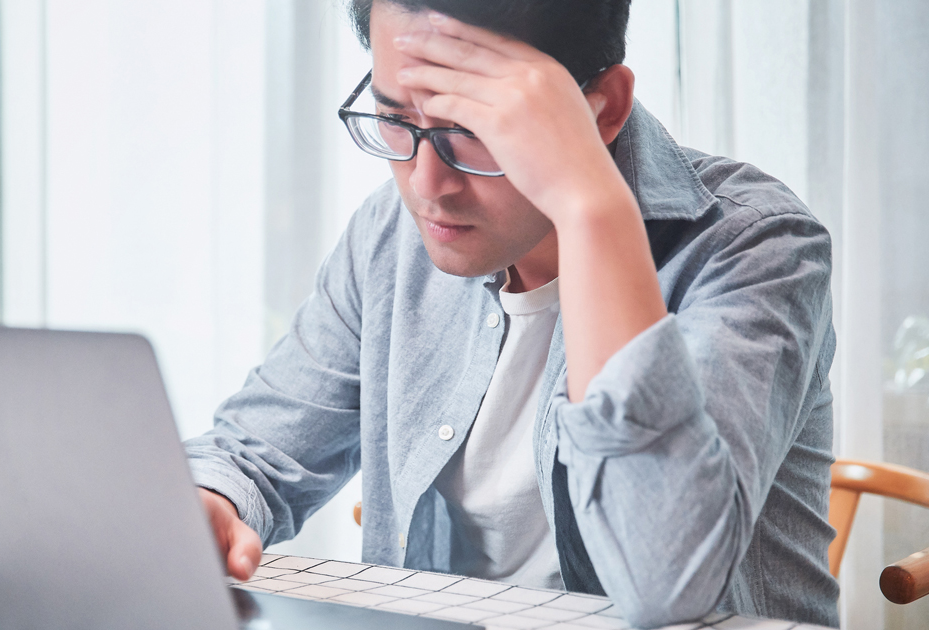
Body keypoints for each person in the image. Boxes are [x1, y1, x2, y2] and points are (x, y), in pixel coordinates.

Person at [184, 0, 838, 627]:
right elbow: (251, 457)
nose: (425, 183)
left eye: (472, 132)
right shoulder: (391, 238)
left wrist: (591, 204)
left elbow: (664, 585)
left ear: (602, 109)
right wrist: (207, 502)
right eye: (395, 118)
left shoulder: (758, 245)